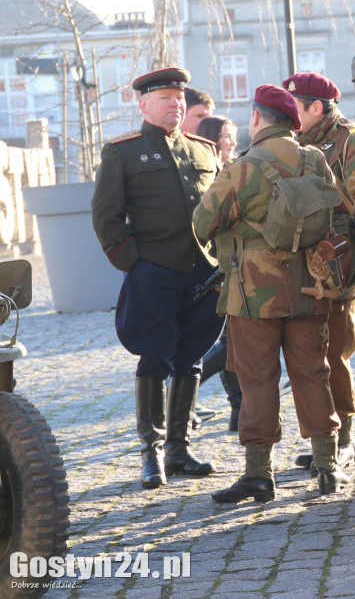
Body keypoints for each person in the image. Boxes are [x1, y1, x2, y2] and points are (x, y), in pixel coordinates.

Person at [193, 84, 345, 502]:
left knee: (257, 379)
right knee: (313, 374)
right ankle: (327, 468)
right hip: (310, 287)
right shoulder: (315, 160)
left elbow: (202, 221)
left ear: (257, 118)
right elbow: (333, 214)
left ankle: (259, 476)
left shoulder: (244, 166)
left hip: (253, 293)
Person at [91, 67, 221, 489]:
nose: (174, 104)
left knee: (192, 359)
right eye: (164, 97)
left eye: (178, 97)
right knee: (155, 357)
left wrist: (221, 261)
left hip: (202, 273)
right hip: (155, 272)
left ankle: (180, 450)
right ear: (143, 104)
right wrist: (134, 264)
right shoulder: (122, 152)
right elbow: (107, 216)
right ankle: (152, 452)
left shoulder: (205, 150)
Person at [282, 71, 355, 475]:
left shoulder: (349, 138)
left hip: (340, 261)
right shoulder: (294, 142)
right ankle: (324, 437)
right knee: (307, 354)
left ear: (318, 108)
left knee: (334, 351)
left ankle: (346, 439)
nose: (290, 115)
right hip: (301, 260)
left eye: (297, 108)